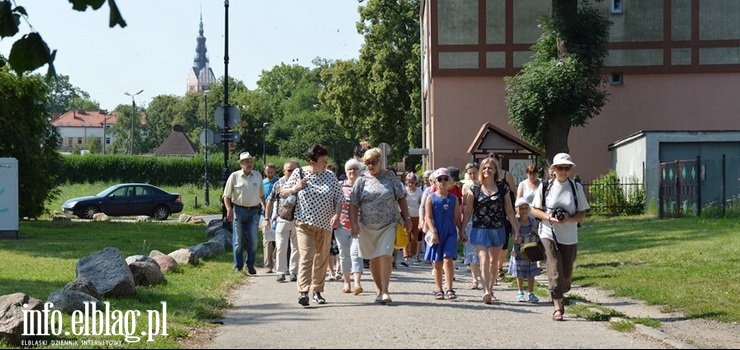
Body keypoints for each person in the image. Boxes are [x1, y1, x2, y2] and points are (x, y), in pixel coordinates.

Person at [281, 144, 343, 306]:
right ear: (312, 161)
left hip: (325, 225)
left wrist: (337, 214)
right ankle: (303, 292)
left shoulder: (330, 176)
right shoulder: (299, 172)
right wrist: (296, 187)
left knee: (321, 258)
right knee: (307, 256)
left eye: (326, 160)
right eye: (322, 161)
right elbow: (283, 192)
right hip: (304, 223)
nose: (325, 163)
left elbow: (339, 197)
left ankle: (317, 291)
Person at [531, 153, 589, 321]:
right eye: (560, 168)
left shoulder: (576, 188)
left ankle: (560, 292)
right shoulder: (545, 186)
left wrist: (569, 219)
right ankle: (558, 307)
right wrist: (549, 218)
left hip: (569, 235)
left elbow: (582, 213)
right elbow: (534, 209)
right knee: (554, 268)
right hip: (548, 232)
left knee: (566, 275)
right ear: (553, 169)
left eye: (567, 168)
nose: (563, 171)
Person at [349, 147, 412, 305]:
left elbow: (401, 197)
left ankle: (385, 291)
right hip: (367, 225)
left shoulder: (390, 176)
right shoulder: (361, 180)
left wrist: (407, 217)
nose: (370, 166)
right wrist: (354, 224)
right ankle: (378, 290)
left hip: (388, 223)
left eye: (373, 162)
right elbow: (353, 204)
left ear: (380, 161)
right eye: (367, 163)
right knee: (374, 259)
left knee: (385, 255)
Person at [462, 157, 519, 304]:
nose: (487, 170)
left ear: (495, 171)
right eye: (485, 168)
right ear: (481, 170)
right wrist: (462, 228)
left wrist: (516, 229)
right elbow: (468, 212)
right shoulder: (474, 189)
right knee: (484, 259)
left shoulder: (502, 188)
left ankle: (491, 288)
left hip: (498, 228)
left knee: (494, 261)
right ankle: (486, 290)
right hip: (479, 228)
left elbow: (510, 211)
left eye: (490, 168)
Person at [424, 167, 466, 300]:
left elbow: (457, 218)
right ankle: (438, 288)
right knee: (437, 262)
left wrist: (462, 232)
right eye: (439, 179)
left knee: (448, 259)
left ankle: (449, 288)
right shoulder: (430, 198)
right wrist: (433, 231)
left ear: (450, 182)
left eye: (445, 179)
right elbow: (428, 217)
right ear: (435, 182)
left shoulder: (454, 199)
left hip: (450, 232)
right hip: (437, 232)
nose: (442, 181)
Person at [223, 151, 265, 275]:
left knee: (253, 240)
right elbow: (226, 196)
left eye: (251, 161)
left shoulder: (257, 176)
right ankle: (238, 266)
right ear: (241, 164)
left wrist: (265, 209)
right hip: (239, 211)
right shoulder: (234, 176)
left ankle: (250, 264)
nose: (249, 163)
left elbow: (261, 195)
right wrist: (229, 209)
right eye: (247, 161)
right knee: (238, 241)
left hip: (254, 212)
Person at [265, 160, 300, 282]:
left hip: (298, 219)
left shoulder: (302, 183)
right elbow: (270, 200)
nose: (291, 172)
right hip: (282, 219)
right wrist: (267, 218)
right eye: (289, 170)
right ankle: (280, 272)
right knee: (280, 246)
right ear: (284, 171)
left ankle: (293, 271)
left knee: (296, 247)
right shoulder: (279, 183)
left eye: (294, 170)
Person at [335, 158, 364, 295]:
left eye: (355, 169)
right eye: (349, 169)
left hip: (358, 227)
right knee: (344, 254)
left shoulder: (364, 186)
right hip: (341, 225)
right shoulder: (339, 186)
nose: (352, 171)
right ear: (346, 171)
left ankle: (357, 283)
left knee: (356, 253)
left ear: (359, 171)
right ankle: (347, 282)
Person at [509, 197, 541, 303]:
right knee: (520, 272)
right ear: (516, 209)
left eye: (525, 208)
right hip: (519, 251)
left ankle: (531, 292)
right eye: (521, 208)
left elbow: (537, 233)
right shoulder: (515, 222)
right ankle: (520, 291)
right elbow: (514, 237)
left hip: (531, 250)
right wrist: (517, 238)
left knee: (531, 273)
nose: (523, 210)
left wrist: (535, 233)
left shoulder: (532, 221)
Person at [261, 163, 279, 273]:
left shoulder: (278, 182)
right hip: (265, 215)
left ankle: (277, 261)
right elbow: (260, 196)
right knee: (267, 240)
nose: (270, 174)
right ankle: (268, 265)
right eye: (268, 172)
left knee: (278, 240)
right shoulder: (262, 183)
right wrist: (264, 207)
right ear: (265, 172)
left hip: (277, 215)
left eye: (272, 172)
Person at [403, 172, 422, 265]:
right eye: (408, 182)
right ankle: (406, 255)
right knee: (406, 235)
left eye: (412, 182)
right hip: (407, 216)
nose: (410, 184)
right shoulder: (404, 190)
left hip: (417, 215)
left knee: (415, 236)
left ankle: (413, 254)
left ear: (415, 182)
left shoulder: (419, 191)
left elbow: (421, 203)